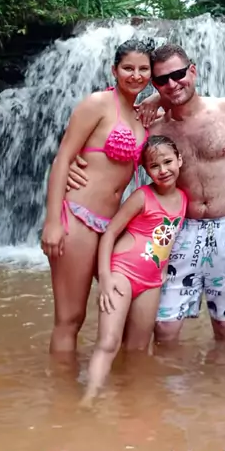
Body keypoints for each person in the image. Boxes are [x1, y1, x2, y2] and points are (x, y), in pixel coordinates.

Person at [66, 43, 225, 344]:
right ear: (154, 84)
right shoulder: (153, 128)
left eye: (178, 74)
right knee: (165, 328)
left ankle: (224, 378)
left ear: (192, 71)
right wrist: (72, 162)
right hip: (177, 229)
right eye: (162, 80)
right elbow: (110, 150)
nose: (172, 83)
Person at [40, 37, 155, 360]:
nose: (136, 75)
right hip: (78, 216)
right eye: (128, 68)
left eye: (143, 69)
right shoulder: (97, 104)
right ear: (114, 70)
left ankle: (121, 386)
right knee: (70, 318)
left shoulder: (141, 115)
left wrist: (159, 96)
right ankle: (62, 389)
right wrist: (52, 222)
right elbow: (63, 158)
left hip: (113, 226)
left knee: (126, 312)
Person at [82, 135, 187, 402]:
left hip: (151, 281)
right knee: (109, 342)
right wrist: (105, 277)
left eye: (168, 162)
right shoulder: (142, 196)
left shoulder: (184, 198)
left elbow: (166, 239)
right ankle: (89, 399)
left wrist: (162, 272)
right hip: (123, 273)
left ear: (180, 160)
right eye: (154, 166)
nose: (163, 170)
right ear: (145, 170)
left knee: (139, 348)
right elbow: (110, 233)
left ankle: (129, 398)